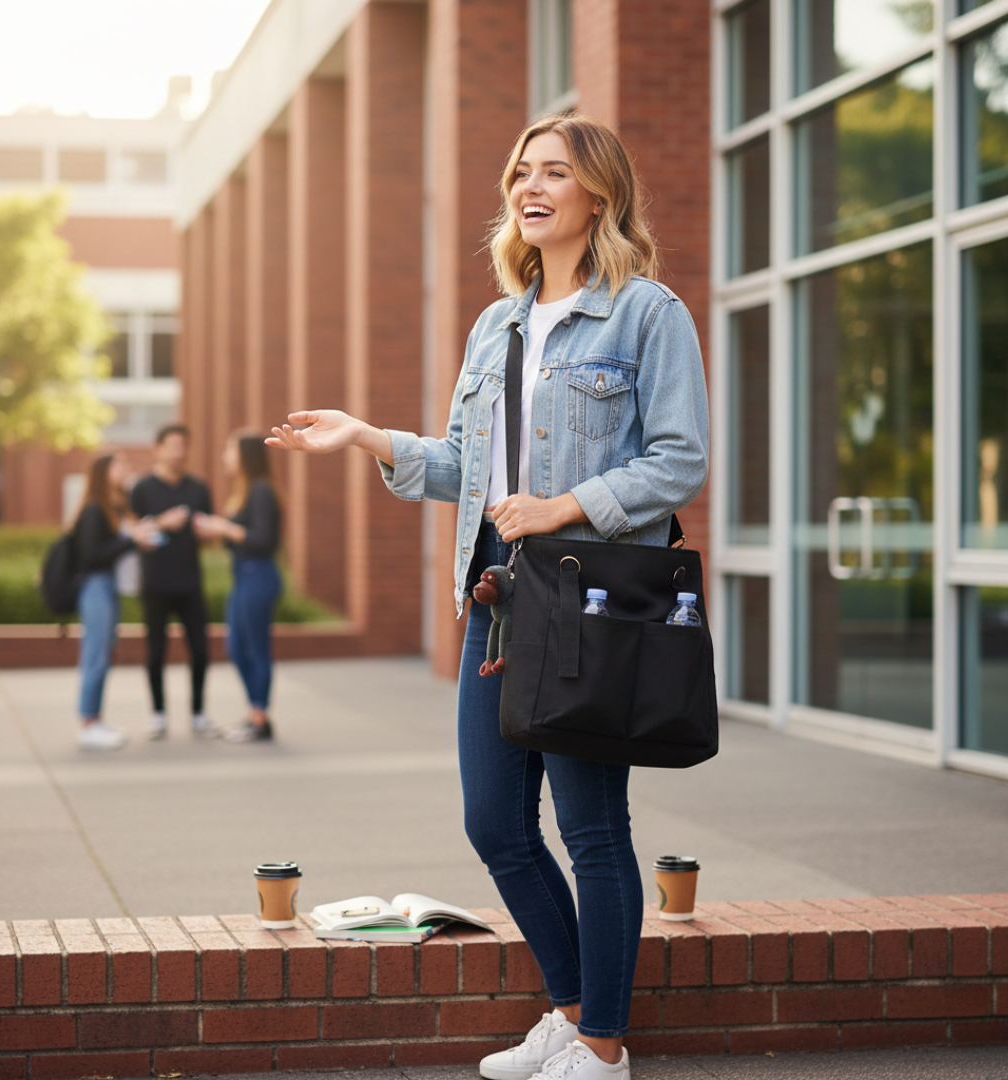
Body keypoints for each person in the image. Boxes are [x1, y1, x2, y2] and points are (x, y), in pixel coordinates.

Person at [267, 114, 709, 1080]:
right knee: (497, 826)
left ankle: (604, 1044)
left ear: (600, 193)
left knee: (591, 827)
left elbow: (680, 459)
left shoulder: (646, 314)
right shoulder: (498, 323)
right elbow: (467, 466)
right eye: (521, 172)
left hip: (589, 607)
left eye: (555, 172)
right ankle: (571, 1008)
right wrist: (367, 436)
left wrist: (563, 507)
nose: (530, 186)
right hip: (502, 605)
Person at [193, 430, 283, 742]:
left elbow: (263, 539)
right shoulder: (244, 491)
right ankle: (255, 712)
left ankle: (260, 718)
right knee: (236, 647)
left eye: (230, 450)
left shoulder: (261, 491)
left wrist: (224, 528)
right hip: (243, 576)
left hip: (259, 575)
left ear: (246, 456)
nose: (225, 457)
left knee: (256, 649)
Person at [130, 423, 217, 740]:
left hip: (190, 581)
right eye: (173, 446)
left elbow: (208, 534)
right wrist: (161, 523)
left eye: (184, 446)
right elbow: (133, 535)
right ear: (158, 449)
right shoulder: (141, 489)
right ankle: (158, 714)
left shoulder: (198, 488)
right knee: (156, 652)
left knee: (201, 650)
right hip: (154, 582)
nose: (180, 452)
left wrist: (205, 531)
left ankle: (198, 713)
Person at [73, 452, 157, 750]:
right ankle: (87, 723)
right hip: (96, 586)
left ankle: (96, 718)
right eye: (120, 464)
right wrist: (131, 541)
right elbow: (91, 555)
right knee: (96, 655)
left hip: (107, 586)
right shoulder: (95, 509)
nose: (127, 468)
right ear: (103, 472)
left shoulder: (113, 506)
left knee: (104, 654)